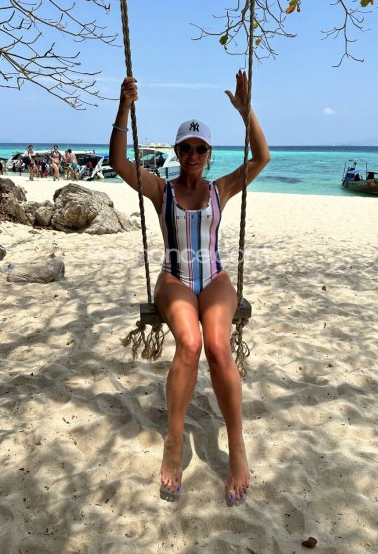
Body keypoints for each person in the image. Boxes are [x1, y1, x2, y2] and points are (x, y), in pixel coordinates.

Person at [109, 71, 270, 503]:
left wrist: (246, 112)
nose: (193, 155)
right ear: (177, 152)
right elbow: (118, 163)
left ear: (209, 154)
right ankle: (175, 439)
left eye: (200, 149)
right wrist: (124, 107)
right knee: (190, 343)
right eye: (185, 148)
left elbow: (262, 158)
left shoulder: (221, 189)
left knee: (217, 346)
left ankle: (236, 445)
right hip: (175, 278)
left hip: (214, 277)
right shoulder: (160, 189)